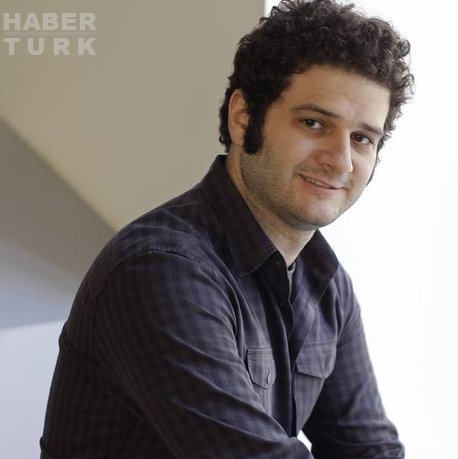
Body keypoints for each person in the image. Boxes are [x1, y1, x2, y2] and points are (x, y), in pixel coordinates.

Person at [40, 0, 414, 457]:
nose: (340, 161)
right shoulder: (160, 271)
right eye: (313, 123)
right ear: (243, 117)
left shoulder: (325, 281)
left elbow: (370, 448)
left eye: (362, 139)